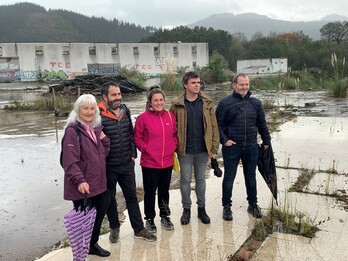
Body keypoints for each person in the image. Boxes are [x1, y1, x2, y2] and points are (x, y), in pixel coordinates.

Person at [98, 81, 156, 242]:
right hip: (108, 165)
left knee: (131, 196)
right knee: (110, 198)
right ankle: (114, 228)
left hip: (126, 163)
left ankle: (138, 229)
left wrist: (133, 153)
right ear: (105, 97)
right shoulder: (97, 114)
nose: (118, 97)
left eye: (119, 94)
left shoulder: (125, 110)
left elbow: (131, 133)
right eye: (114, 95)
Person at [215, 73, 271, 220]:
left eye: (246, 84)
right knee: (229, 178)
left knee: (251, 177)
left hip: (251, 146)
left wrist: (266, 141)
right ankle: (226, 207)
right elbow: (217, 125)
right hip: (232, 146)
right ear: (234, 85)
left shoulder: (256, 103)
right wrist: (225, 140)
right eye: (241, 84)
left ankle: (253, 204)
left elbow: (262, 124)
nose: (244, 87)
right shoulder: (224, 103)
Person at [61, 94, 111, 257]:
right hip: (84, 186)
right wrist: (80, 180)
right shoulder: (72, 130)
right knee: (83, 221)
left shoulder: (95, 128)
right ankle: (82, 248)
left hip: (99, 183)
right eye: (85, 108)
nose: (89, 112)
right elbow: (69, 162)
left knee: (96, 218)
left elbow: (104, 150)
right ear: (78, 110)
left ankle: (91, 245)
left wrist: (103, 138)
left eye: (92, 108)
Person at [170, 71, 220, 225]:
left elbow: (214, 125)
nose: (197, 85)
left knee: (200, 179)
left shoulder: (207, 103)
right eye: (193, 83)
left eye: (198, 82)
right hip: (185, 150)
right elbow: (171, 127)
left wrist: (214, 147)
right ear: (185, 85)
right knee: (185, 180)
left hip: (203, 150)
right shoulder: (177, 104)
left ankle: (202, 209)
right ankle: (186, 210)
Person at [134, 86, 178, 233]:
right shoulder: (142, 118)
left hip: (167, 162)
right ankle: (149, 219)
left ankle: (165, 216)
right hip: (149, 163)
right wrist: (146, 149)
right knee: (150, 191)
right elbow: (137, 138)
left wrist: (173, 146)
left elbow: (174, 135)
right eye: (156, 100)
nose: (159, 103)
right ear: (150, 102)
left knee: (164, 191)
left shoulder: (171, 117)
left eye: (161, 100)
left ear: (164, 101)